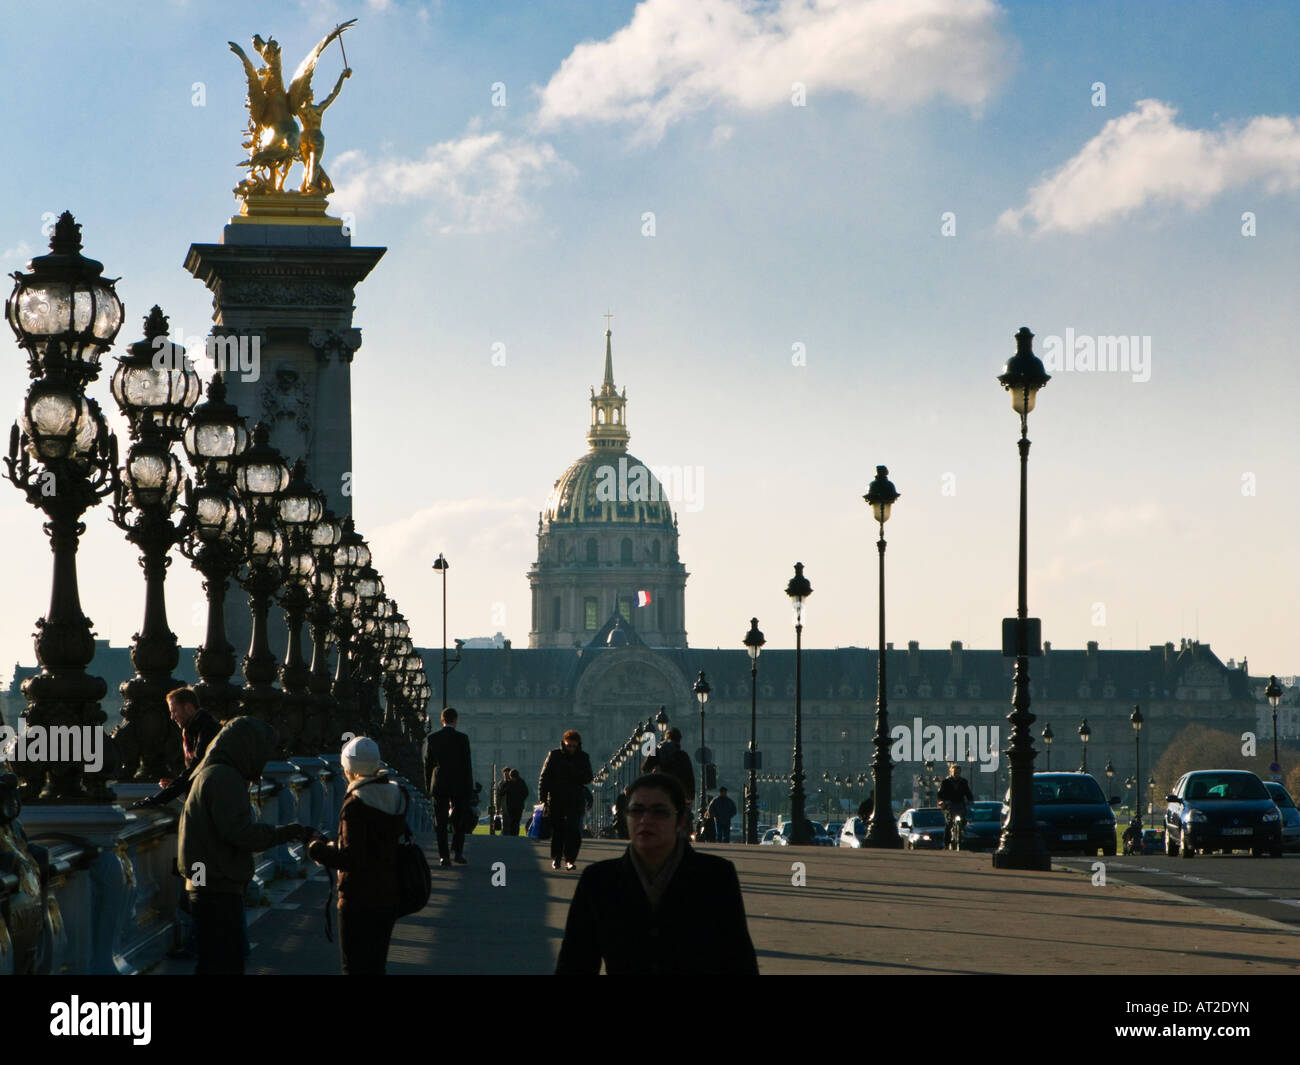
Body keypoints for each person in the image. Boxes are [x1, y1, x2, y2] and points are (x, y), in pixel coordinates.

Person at [555, 772, 758, 975]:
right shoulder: (598, 881)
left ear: (680, 820)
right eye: (636, 811)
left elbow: (739, 962)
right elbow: (574, 964)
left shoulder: (716, 877)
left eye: (659, 812)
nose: (645, 820)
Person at [177, 716, 313, 974]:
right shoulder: (224, 778)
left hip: (204, 879)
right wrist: (289, 832)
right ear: (247, 747)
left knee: (212, 960)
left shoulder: (209, 771)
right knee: (224, 962)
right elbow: (241, 833)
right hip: (216, 883)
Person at [307, 736, 408, 975]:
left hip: (358, 897)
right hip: (388, 893)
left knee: (353, 967)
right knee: (376, 966)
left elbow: (352, 858)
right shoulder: (398, 796)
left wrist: (318, 850)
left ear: (349, 769)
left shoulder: (355, 804)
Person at [132, 687, 221, 808]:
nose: (172, 717)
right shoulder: (196, 729)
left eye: (174, 711)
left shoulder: (207, 731)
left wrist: (156, 800)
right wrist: (175, 784)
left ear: (189, 708)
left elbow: (195, 769)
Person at [424, 707, 474, 867]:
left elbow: (428, 765)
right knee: (460, 820)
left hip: (439, 784)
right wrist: (469, 787)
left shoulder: (432, 739)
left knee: (441, 821)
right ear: (455, 720)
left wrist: (428, 785)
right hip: (459, 784)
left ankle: (443, 856)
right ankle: (458, 852)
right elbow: (467, 765)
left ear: (442, 720)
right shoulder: (463, 739)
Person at [538, 730, 593, 871]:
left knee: (574, 830)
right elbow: (544, 778)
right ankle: (556, 858)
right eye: (569, 746)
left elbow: (588, 778)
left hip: (575, 800)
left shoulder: (583, 757)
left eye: (574, 746)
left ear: (578, 745)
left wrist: (574, 771)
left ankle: (570, 859)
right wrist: (543, 799)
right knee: (558, 830)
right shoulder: (554, 755)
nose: (571, 749)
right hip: (556, 799)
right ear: (564, 743)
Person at [644, 726, 695, 814]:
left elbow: (645, 768)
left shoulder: (656, 751)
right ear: (679, 740)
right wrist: (690, 795)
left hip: (658, 793)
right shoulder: (682, 756)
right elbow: (689, 778)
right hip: (676, 795)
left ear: (666, 738)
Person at [936, 763, 974, 847]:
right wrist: (942, 801)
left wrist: (970, 800)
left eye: (958, 773)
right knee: (948, 824)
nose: (956, 774)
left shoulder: (963, 782)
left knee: (963, 819)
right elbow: (940, 794)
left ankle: (962, 832)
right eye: (955, 772)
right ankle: (946, 843)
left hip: (960, 804)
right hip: (949, 805)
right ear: (951, 772)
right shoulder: (945, 782)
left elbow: (968, 792)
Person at [500, 768, 530, 836]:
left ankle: (514, 834)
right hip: (514, 806)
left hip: (514, 806)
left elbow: (526, 793)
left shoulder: (513, 782)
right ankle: (514, 834)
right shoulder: (520, 782)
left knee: (515, 821)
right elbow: (501, 792)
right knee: (514, 821)